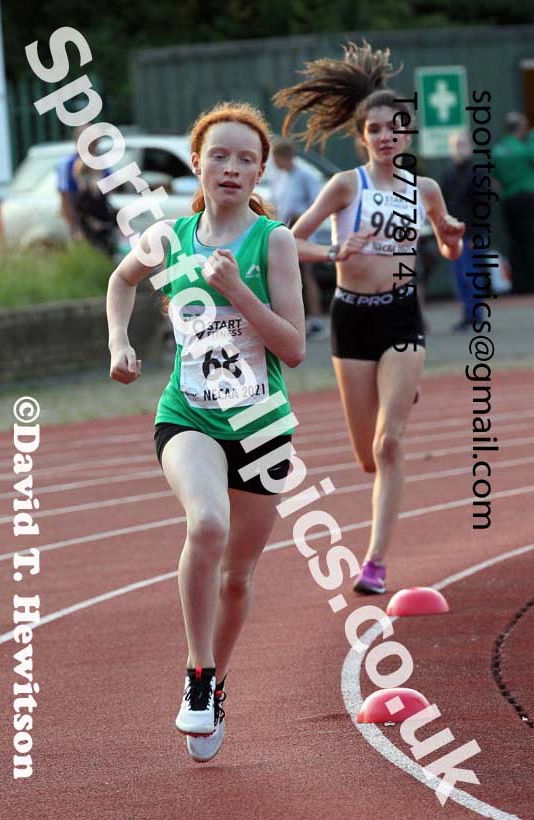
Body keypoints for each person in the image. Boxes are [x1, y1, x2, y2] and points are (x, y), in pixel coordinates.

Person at [106, 102, 305, 762]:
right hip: (186, 415)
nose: (231, 167)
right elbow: (121, 280)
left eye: (245, 158)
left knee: (238, 580)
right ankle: (197, 675)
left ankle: (216, 683)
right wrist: (120, 343)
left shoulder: (272, 241)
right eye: (219, 154)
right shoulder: (169, 237)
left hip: (261, 425)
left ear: (259, 172)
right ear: (197, 161)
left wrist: (238, 294)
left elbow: (295, 348)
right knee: (208, 525)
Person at [273, 41, 464, 594]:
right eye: (375, 129)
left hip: (402, 318)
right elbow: (290, 241)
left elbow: (449, 247)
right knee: (366, 458)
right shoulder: (344, 187)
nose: (386, 137)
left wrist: (450, 239)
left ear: (408, 134)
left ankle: (375, 563)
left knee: (389, 445)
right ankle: (396, 395)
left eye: (396, 128)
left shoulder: (423, 190)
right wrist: (336, 253)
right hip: (350, 320)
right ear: (362, 136)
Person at [270, 139, 326, 337]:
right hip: (283, 233)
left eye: (277, 158)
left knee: (306, 275)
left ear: (287, 157)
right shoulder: (278, 177)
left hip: (303, 234)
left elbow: (317, 204)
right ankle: (292, 320)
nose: (275, 163)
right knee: (286, 277)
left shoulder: (305, 176)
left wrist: (299, 216)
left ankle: (316, 319)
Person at [493, 112, 534, 294]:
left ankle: (520, 284)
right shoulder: (526, 148)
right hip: (529, 199)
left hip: (509, 201)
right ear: (521, 128)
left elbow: (494, 181)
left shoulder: (497, 150)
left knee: (515, 242)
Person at [440, 129, 477, 330]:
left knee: (471, 275)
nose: (459, 148)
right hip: (454, 237)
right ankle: (467, 314)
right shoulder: (448, 173)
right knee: (459, 278)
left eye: (462, 144)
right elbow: (442, 205)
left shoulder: (478, 172)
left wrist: (475, 234)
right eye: (455, 145)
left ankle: (475, 316)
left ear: (470, 146)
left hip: (471, 235)